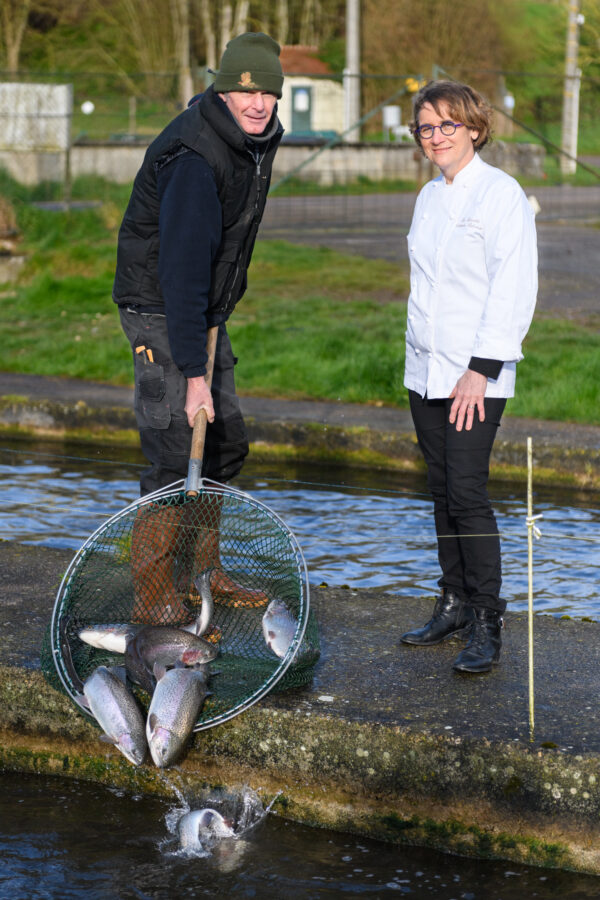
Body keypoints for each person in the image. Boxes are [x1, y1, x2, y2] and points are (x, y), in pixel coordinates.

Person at [112, 33, 284, 622]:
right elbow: (182, 269)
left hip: (202, 310)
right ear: (223, 91)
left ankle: (205, 572)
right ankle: (155, 599)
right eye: (245, 91)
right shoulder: (194, 155)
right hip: (161, 306)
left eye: (267, 92)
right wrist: (192, 373)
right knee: (171, 450)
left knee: (223, 441)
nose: (257, 103)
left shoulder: (247, 142)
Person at [399, 80, 537, 674]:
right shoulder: (429, 196)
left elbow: (513, 287)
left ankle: (486, 619)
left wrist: (480, 370)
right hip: (424, 369)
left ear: (475, 129)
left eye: (447, 125)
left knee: (468, 493)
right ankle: (453, 601)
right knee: (439, 489)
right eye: (426, 127)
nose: (436, 137)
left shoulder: (502, 195)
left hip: (473, 374)